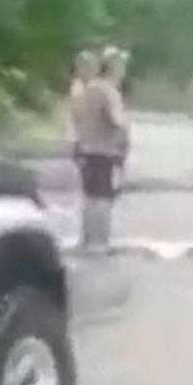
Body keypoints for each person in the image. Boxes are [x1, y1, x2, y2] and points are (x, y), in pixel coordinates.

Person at [69, 45, 131, 252]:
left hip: (87, 150)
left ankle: (86, 241)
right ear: (114, 67)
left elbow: (77, 118)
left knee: (89, 198)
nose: (123, 70)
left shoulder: (89, 89)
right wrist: (125, 126)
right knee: (104, 199)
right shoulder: (109, 91)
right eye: (121, 65)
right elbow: (116, 121)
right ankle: (100, 244)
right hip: (106, 152)